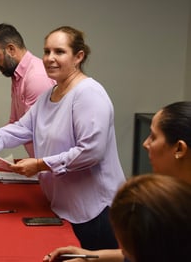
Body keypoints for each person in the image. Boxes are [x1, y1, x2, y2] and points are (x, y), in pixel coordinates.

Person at [0, 26, 125, 250]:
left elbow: (91, 151)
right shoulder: (50, 94)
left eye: (59, 52)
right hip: (64, 205)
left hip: (94, 211)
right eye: (47, 51)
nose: (49, 58)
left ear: (78, 56)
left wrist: (41, 164)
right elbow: (21, 129)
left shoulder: (89, 93)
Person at [43, 101, 191, 262]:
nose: (146, 143)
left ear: (179, 149)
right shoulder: (173, 199)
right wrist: (90, 257)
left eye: (153, 137)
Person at [0, 23, 55, 157]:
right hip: (41, 166)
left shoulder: (36, 77)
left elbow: (30, 129)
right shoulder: (18, 76)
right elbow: (14, 123)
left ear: (11, 49)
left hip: (51, 167)